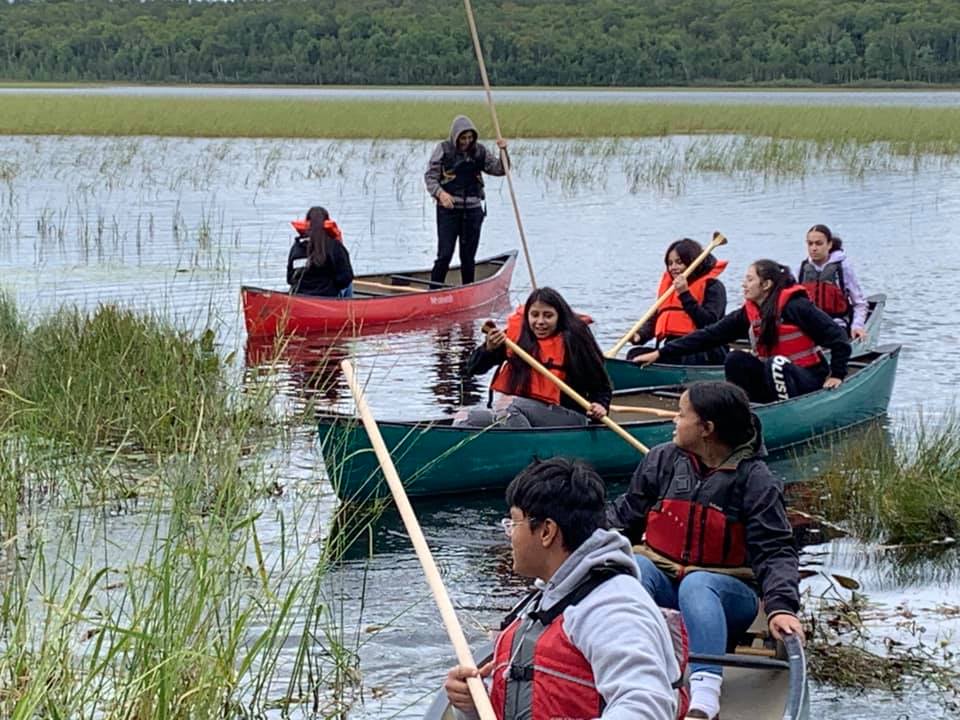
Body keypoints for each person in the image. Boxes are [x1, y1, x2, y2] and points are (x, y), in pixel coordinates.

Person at [607, 381, 804, 720]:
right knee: (634, 569)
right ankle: (630, 674)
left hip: (726, 598)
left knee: (697, 585)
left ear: (707, 429)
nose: (674, 421)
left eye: (681, 415)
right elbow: (623, 519)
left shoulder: (756, 480)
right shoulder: (662, 461)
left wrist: (782, 607)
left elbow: (775, 553)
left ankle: (704, 698)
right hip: (667, 583)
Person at [445, 457, 680, 720]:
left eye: (513, 523)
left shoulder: (614, 607)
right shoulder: (541, 602)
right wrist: (473, 703)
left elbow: (647, 706)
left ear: (547, 531)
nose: (508, 534)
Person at [632, 260, 851, 403]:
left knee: (776, 364)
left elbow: (839, 338)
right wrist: (661, 353)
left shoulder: (797, 307)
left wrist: (837, 374)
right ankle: (748, 408)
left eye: (749, 279)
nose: (743, 285)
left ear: (765, 285)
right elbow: (709, 335)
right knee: (735, 358)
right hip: (772, 379)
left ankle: (784, 411)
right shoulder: (748, 313)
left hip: (807, 379)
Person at [454, 287, 612, 428]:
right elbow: (473, 368)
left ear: (559, 317)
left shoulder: (575, 340)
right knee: (464, 418)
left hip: (568, 417)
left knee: (507, 405)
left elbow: (602, 387)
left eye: (548, 316)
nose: (540, 322)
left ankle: (527, 453)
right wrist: (488, 349)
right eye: (535, 315)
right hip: (516, 413)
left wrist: (600, 404)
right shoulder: (517, 338)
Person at [424, 115, 507, 286]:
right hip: (448, 210)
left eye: (470, 138)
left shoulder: (480, 151)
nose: (466, 142)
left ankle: (467, 290)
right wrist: (440, 194)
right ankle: (433, 292)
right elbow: (430, 177)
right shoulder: (443, 149)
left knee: (468, 257)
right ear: (456, 137)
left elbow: (500, 169)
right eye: (463, 138)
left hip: (473, 210)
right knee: (445, 254)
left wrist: (503, 151)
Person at [627, 238, 728, 365]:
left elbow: (709, 322)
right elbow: (658, 317)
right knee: (635, 354)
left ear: (692, 262)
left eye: (679, 262)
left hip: (703, 348)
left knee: (685, 358)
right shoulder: (670, 288)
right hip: (673, 347)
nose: (673, 268)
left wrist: (685, 295)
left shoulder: (713, 286)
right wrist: (639, 336)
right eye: (670, 263)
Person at [798, 224, 868, 340]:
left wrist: (857, 325)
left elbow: (860, 303)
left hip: (836, 325)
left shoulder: (843, 268)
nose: (814, 248)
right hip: (808, 326)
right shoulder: (801, 269)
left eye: (818, 243)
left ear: (829, 244)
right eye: (810, 244)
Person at [287, 206, 354, 298]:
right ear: (326, 223)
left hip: (301, 298)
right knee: (349, 284)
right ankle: (348, 309)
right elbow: (345, 279)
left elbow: (290, 279)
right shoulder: (335, 246)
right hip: (329, 298)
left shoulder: (297, 247)